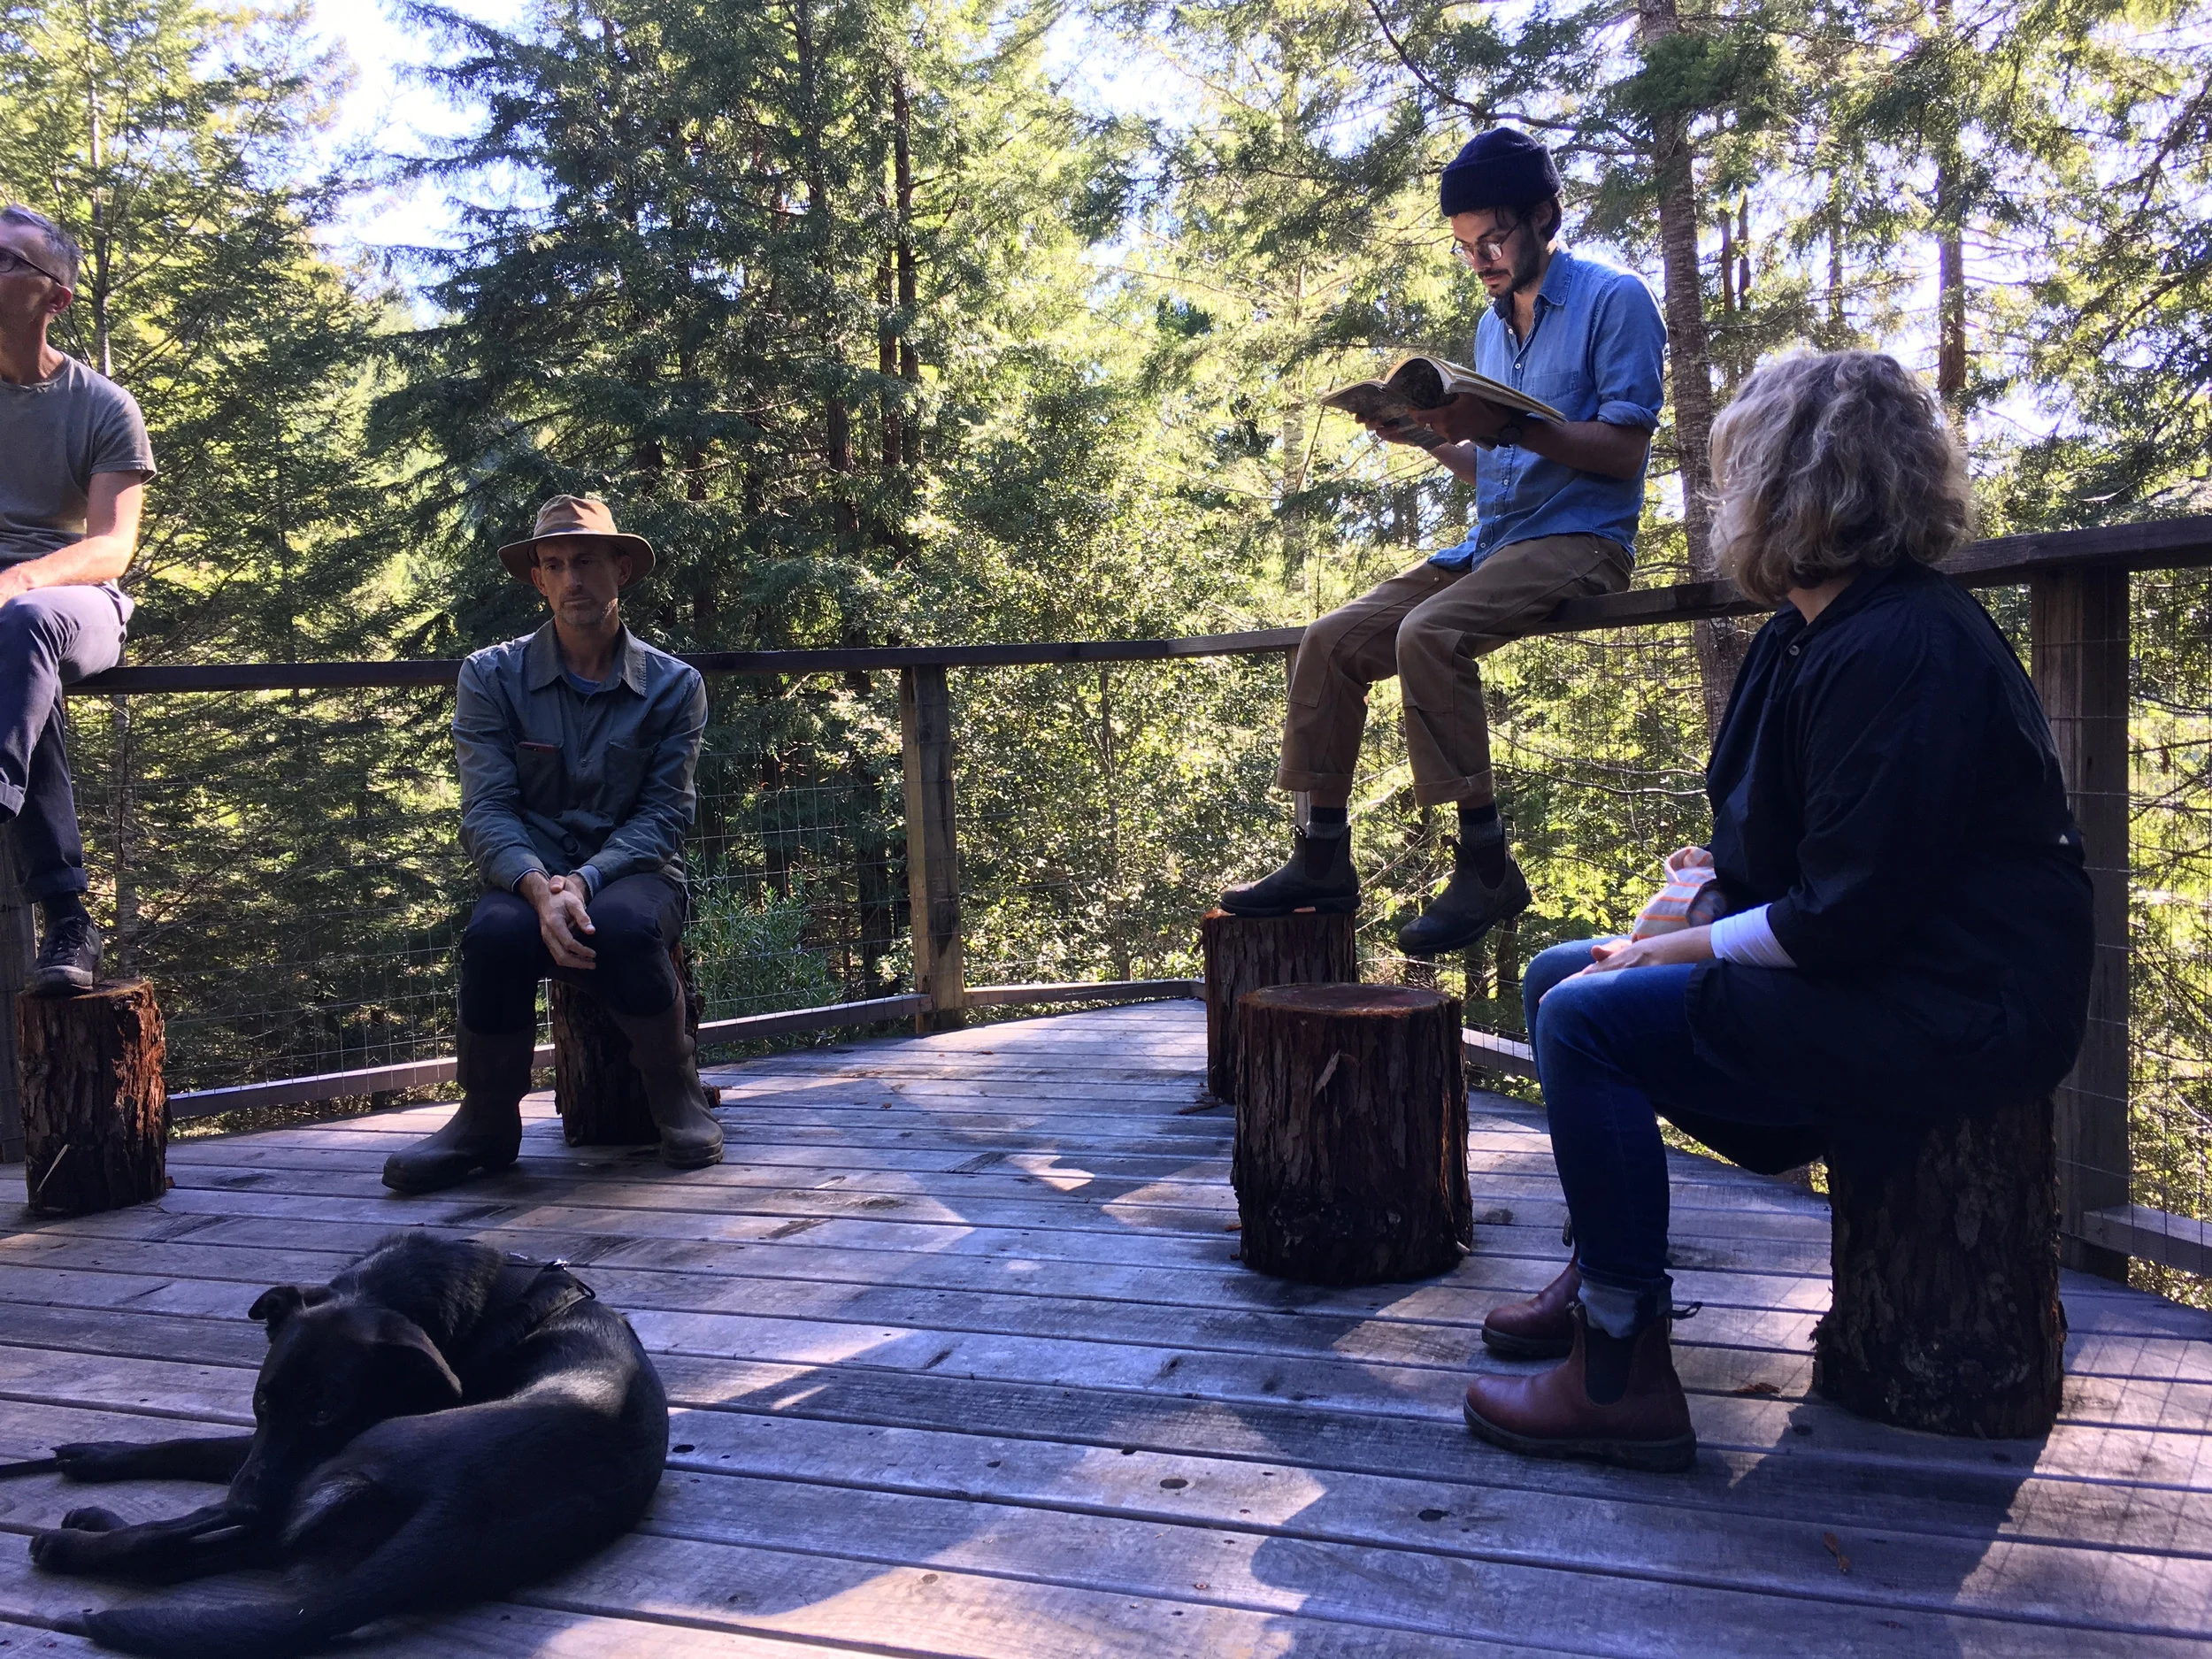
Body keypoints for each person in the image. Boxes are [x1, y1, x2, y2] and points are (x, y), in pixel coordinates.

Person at [1461, 351, 2093, 1471]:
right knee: (1562, 972)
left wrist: (1686, 939)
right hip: (1882, 972)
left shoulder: (1903, 646)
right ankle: (1606, 1268)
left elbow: (1845, 917)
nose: (1716, 498)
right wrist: (1695, 890)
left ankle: (1621, 1371)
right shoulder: (1807, 631)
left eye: (1731, 471)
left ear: (1790, 481)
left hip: (1957, 1007)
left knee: (1585, 1018)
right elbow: (1803, 849)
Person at [1220, 127, 1666, 957]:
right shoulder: (1493, 326)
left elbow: (1622, 451)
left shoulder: (1616, 300)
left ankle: (1487, 860)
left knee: (1429, 633)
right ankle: (1320, 855)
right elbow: (1492, 465)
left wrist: (1505, 427)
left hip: (1582, 541)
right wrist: (1425, 434)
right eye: (1464, 247)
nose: (1481, 259)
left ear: (1544, 217)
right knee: (1329, 641)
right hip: (1493, 544)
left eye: (1493, 238)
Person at [383, 494, 722, 1194]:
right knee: (494, 936)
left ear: (620, 568)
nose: (573, 580)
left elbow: (664, 816)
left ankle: (676, 1094)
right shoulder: (490, 676)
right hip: (528, 875)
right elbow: (487, 810)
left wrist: (586, 881)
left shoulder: (673, 686)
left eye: (588, 561)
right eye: (555, 564)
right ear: (538, 579)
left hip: (635, 869)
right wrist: (541, 887)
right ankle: (484, 1121)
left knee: (626, 928)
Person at [0, 205, 154, 995]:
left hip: (79, 599)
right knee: (19, 665)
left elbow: (111, 545)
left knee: (24, 624)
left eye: (6, 261)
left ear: (55, 296)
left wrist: (20, 578)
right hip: (13, 637)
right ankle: (68, 917)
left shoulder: (101, 404)